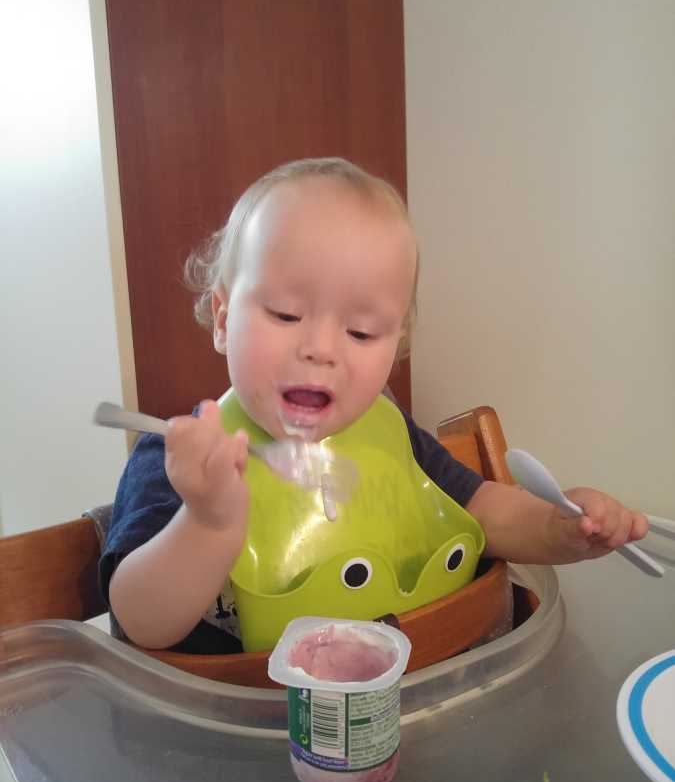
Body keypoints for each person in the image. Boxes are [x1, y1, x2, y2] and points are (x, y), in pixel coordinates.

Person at [101, 157, 648, 653]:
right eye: (286, 314)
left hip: (412, 698)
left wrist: (558, 528)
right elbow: (141, 621)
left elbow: (482, 509)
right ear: (223, 319)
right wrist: (208, 522)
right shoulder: (183, 460)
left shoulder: (390, 434)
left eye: (361, 332)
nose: (321, 348)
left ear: (396, 343)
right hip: (252, 722)